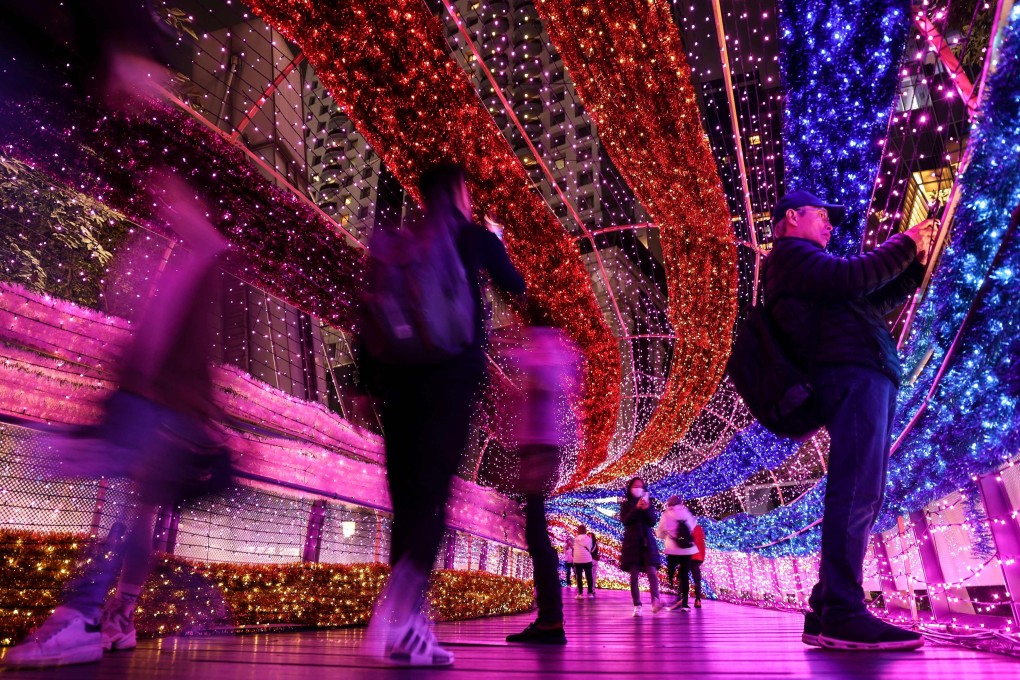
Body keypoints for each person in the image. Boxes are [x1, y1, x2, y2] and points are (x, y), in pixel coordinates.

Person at [361, 163, 526, 666]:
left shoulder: (398, 244)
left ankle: (409, 634)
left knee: (407, 503)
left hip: (396, 387)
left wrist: (369, 388)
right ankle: (400, 607)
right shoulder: (470, 236)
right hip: (448, 381)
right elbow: (514, 285)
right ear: (457, 194)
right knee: (434, 502)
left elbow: (368, 313)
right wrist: (493, 238)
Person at [765, 189, 934, 651]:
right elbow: (853, 278)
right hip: (852, 373)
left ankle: (825, 610)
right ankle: (842, 612)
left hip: (859, 371)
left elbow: (868, 300)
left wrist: (914, 265)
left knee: (862, 488)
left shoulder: (810, 273)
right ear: (791, 218)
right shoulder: (791, 257)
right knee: (856, 489)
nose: (830, 224)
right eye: (822, 215)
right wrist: (905, 242)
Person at [503, 312, 580, 645]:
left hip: (539, 450)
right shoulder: (556, 350)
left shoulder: (544, 350)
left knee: (537, 538)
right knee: (536, 537)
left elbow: (536, 380)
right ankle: (550, 619)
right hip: (540, 449)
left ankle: (550, 621)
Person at [620, 477, 662, 617]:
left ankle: (655, 600)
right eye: (635, 486)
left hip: (646, 542)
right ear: (630, 488)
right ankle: (637, 604)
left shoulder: (649, 503)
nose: (638, 488)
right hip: (632, 544)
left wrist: (646, 509)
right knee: (634, 576)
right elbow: (625, 520)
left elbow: (652, 522)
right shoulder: (626, 505)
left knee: (652, 572)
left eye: (641, 486)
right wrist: (636, 509)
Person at [656, 496, 698, 611]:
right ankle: (684, 603)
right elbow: (693, 526)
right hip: (687, 549)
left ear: (669, 504)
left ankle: (673, 596)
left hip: (672, 549)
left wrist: (668, 534)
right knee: (684, 575)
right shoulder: (687, 513)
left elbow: (659, 533)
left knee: (670, 573)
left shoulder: (666, 515)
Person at [572, 525, 595, 600]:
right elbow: (590, 548)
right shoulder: (589, 539)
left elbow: (573, 548)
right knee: (589, 577)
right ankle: (590, 593)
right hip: (587, 559)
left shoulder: (575, 539)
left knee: (579, 577)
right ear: (585, 530)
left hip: (577, 560)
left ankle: (580, 594)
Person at [690, 516, 706, 609]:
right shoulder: (698, 528)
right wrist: (702, 557)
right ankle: (698, 599)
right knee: (697, 579)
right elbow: (702, 544)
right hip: (697, 557)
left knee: (682, 577)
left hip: (688, 556)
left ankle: (682, 599)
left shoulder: (687, 529)